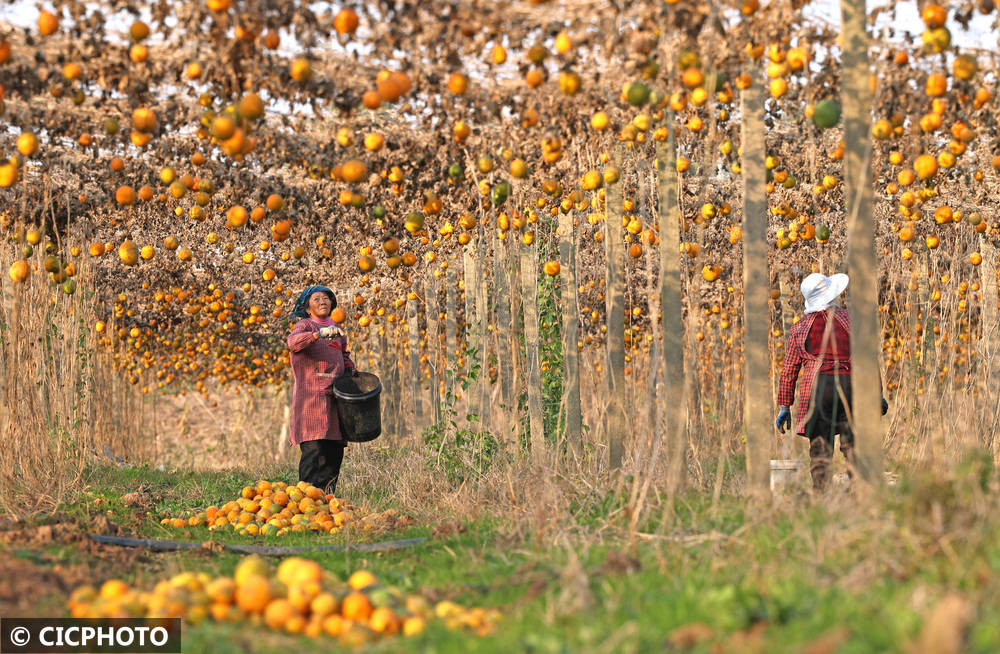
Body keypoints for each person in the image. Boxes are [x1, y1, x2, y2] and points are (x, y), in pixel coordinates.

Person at [775, 273, 887, 490]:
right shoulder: (852, 320)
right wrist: (878, 394)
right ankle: (862, 494)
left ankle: (821, 496)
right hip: (851, 386)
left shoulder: (800, 328)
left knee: (820, 448)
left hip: (819, 389)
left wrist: (784, 406)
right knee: (854, 446)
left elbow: (789, 370)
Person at [287, 284, 356, 494]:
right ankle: (305, 500)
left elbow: (343, 356)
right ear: (307, 308)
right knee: (314, 451)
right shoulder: (305, 326)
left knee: (333, 452)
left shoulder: (338, 331)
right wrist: (317, 335)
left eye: (326, 298)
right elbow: (293, 343)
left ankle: (327, 500)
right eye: (316, 299)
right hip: (311, 401)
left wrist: (350, 368)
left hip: (334, 400)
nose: (323, 301)